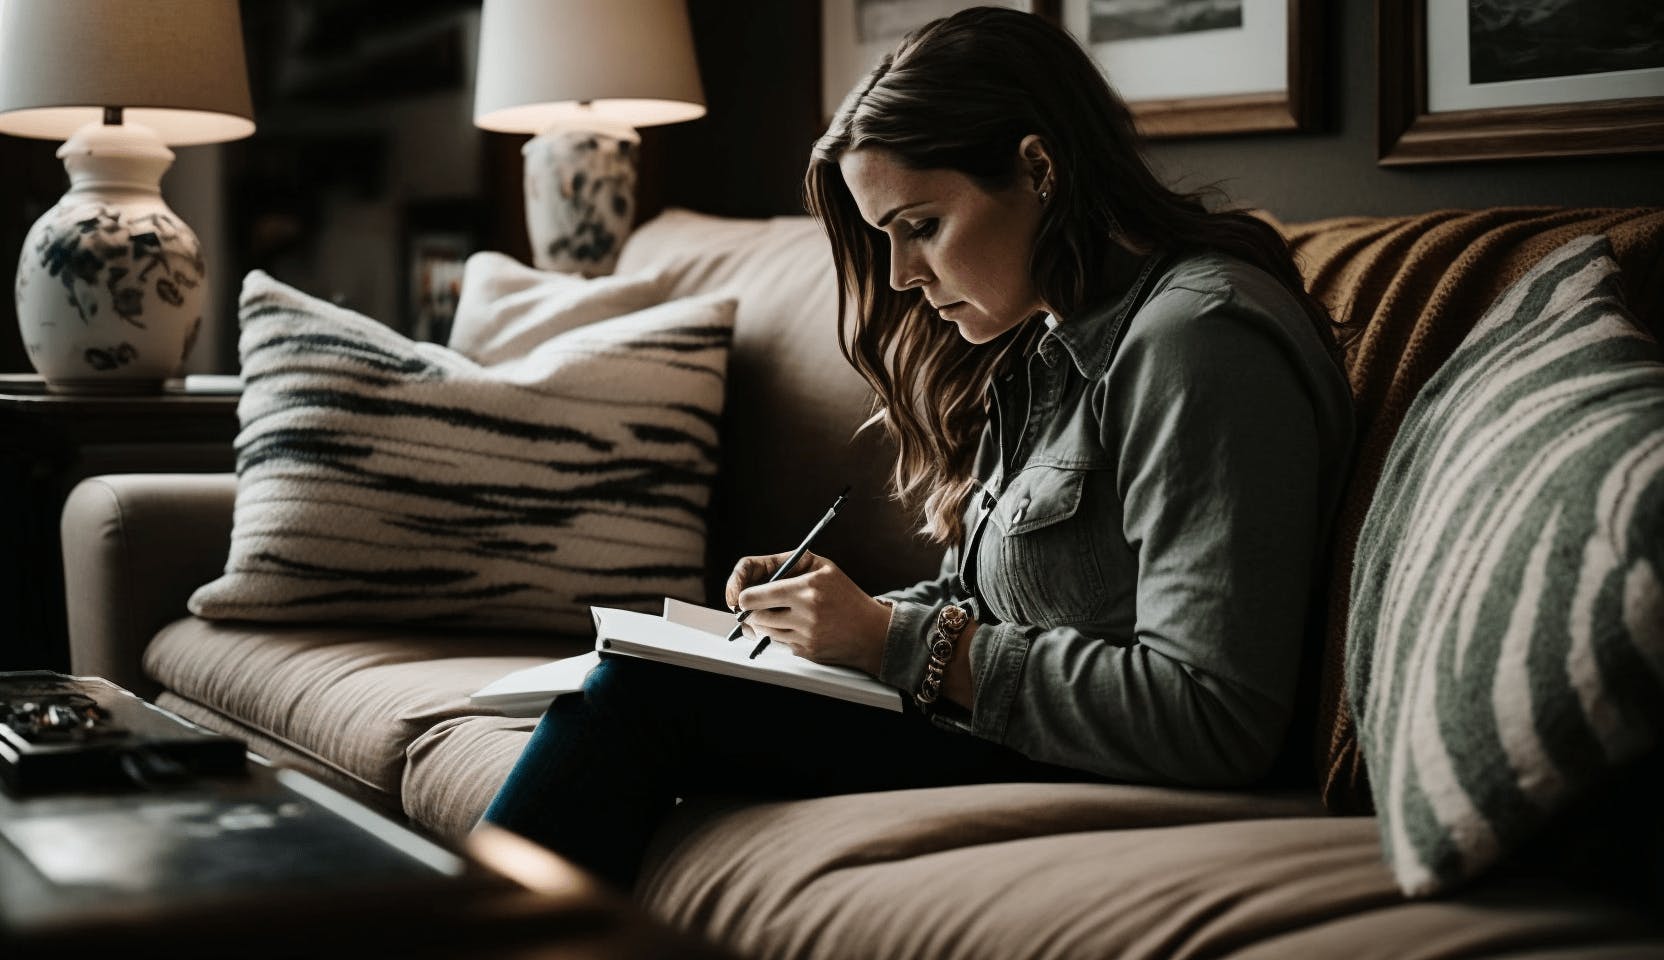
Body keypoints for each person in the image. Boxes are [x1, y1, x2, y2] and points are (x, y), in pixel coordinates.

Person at [479, 6, 1354, 892]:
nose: (900, 276)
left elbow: (1215, 714)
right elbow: (992, 599)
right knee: (635, 677)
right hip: (1006, 725)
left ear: (1039, 169)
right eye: (885, 237)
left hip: (1099, 754)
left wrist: (892, 641)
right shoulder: (1054, 336)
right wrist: (827, 617)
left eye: (922, 225)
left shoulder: (1198, 342)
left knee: (637, 699)